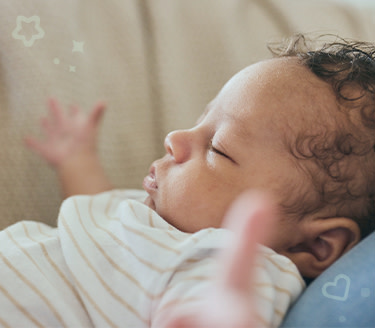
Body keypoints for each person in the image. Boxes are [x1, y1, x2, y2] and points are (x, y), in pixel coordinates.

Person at [1, 34, 374, 327]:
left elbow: (217, 308)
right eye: (200, 119)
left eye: (218, 148)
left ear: (316, 246)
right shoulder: (158, 219)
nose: (175, 138)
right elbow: (97, 218)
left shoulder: (232, 263)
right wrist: (76, 160)